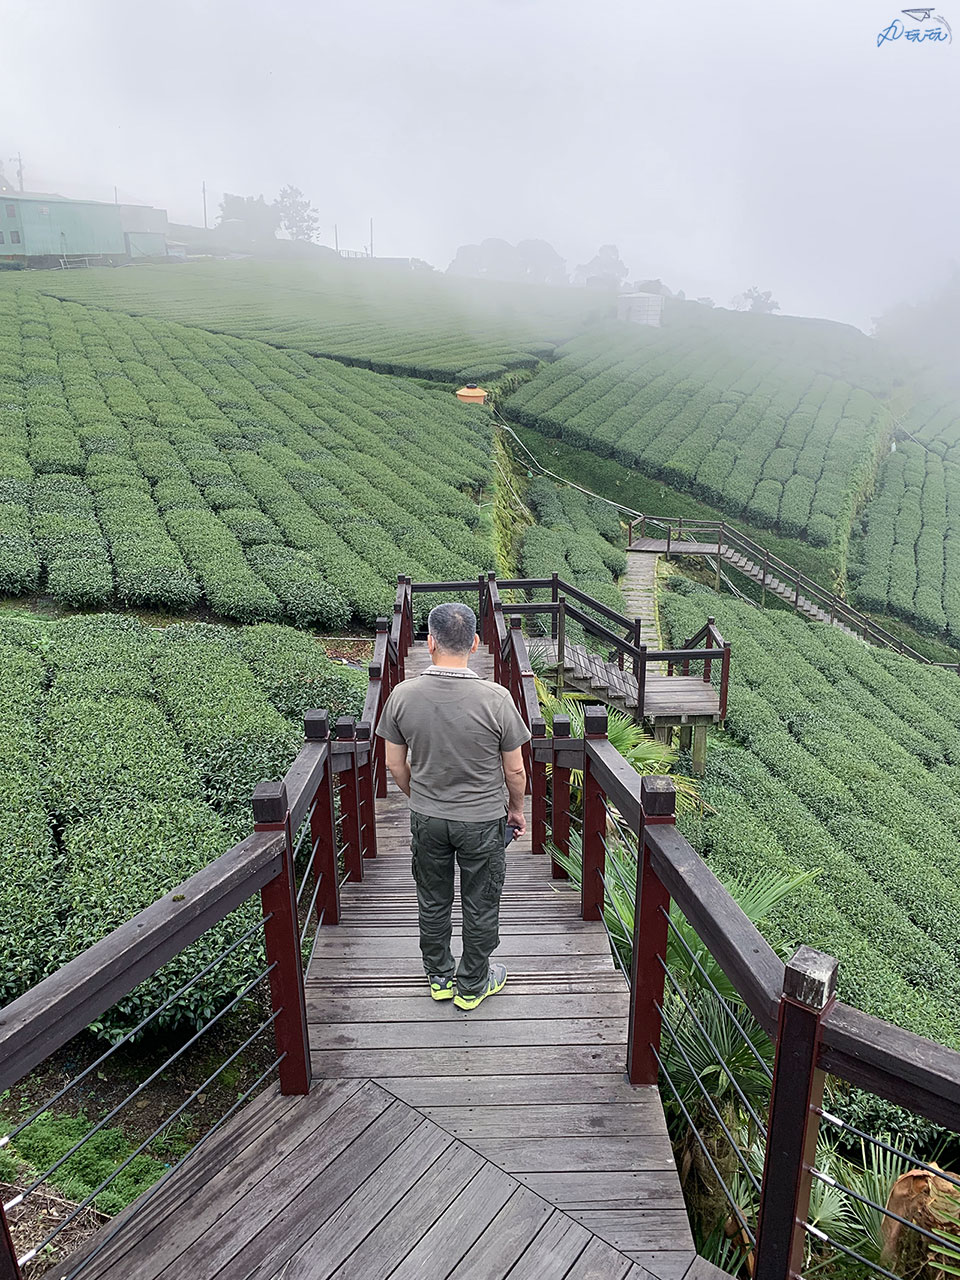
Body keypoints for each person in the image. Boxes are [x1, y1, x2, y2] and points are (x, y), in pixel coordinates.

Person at [375, 601, 530, 1010]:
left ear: (430, 643)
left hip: (428, 818)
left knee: (433, 897)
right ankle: (473, 983)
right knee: (481, 901)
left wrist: (420, 797)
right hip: (482, 820)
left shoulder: (402, 695)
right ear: (475, 643)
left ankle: (440, 976)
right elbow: (515, 771)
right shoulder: (496, 698)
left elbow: (394, 763)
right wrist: (516, 810)